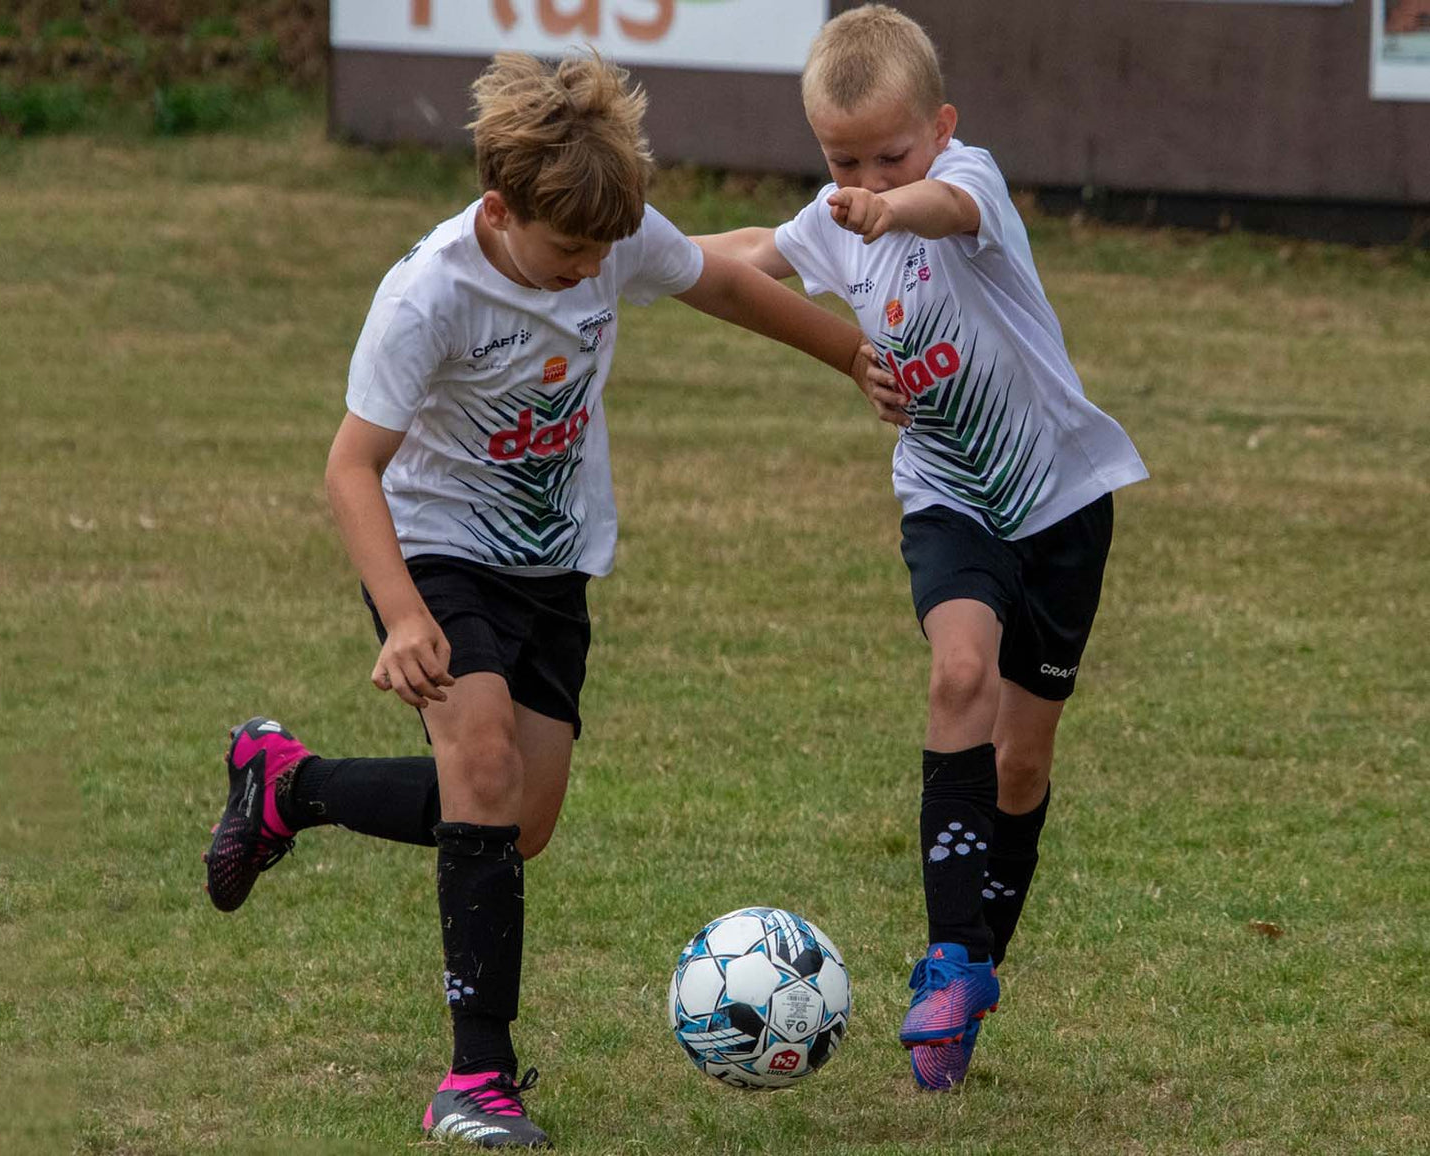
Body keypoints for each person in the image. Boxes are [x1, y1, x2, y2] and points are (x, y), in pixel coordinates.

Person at [201, 50, 898, 1149]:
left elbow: (716, 282)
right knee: (477, 764)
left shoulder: (607, 236)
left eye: (600, 255)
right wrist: (404, 615)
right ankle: (474, 1079)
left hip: (552, 567)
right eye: (566, 252)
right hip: (435, 552)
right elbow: (349, 466)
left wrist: (851, 353)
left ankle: (289, 785)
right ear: (499, 208)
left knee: (514, 823)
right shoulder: (427, 291)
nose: (587, 274)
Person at [695, 4, 1148, 1091]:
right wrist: (633, 249)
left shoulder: (966, 185)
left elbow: (938, 206)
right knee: (956, 675)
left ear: (940, 126)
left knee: (1021, 761)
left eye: (886, 151)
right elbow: (750, 252)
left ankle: (974, 976)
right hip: (947, 497)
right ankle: (945, 961)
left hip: (1062, 505)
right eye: (839, 158)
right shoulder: (839, 213)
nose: (859, 176)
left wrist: (892, 198)